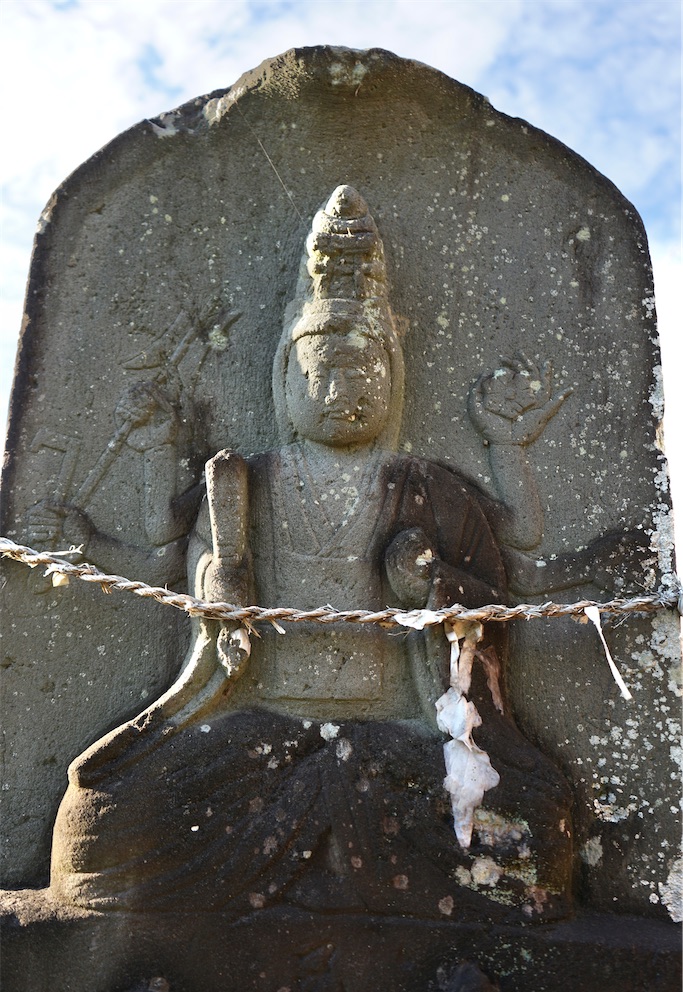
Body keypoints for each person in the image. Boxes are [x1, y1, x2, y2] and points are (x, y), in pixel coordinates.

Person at [49, 187, 575, 923]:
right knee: (95, 823)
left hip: (396, 744)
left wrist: (431, 583)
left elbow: (508, 567)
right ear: (283, 381)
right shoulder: (238, 484)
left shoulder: (428, 487)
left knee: (536, 831)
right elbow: (163, 565)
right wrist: (167, 561)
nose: (343, 391)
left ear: (392, 381)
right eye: (321, 372)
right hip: (256, 731)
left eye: (364, 373)